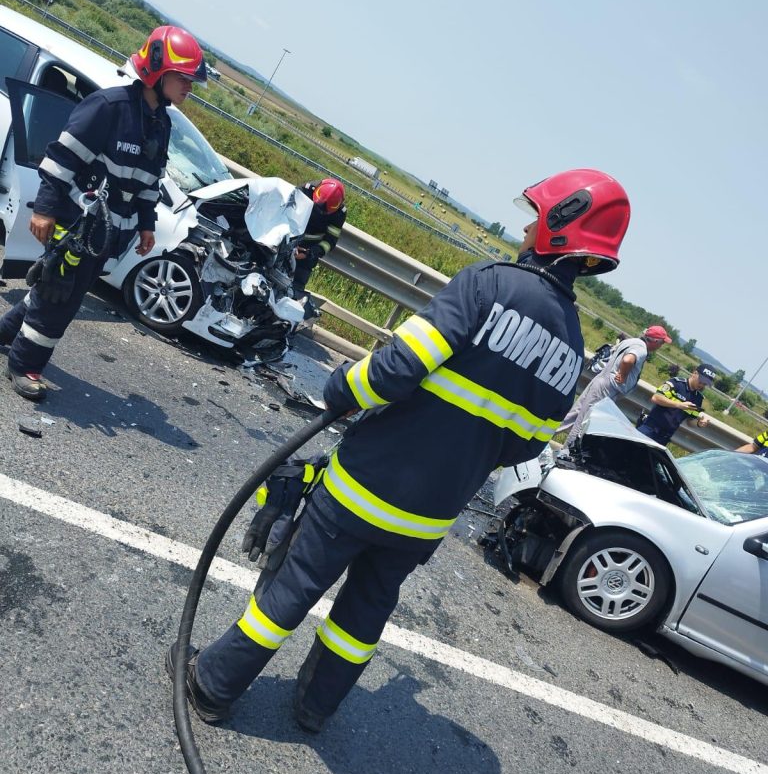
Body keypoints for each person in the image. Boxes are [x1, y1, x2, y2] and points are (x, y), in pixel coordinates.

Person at [167, 168, 631, 732]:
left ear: (559, 225)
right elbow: (525, 444)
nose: (529, 224)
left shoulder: (488, 284)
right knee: (364, 613)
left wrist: (338, 388)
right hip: (429, 517)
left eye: (538, 214)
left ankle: (212, 685)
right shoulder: (572, 344)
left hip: (367, 483)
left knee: (291, 589)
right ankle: (315, 708)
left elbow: (396, 369)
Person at [0, 26, 207, 400]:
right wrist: (44, 209)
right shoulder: (109, 107)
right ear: (157, 71)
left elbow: (149, 181)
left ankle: (6, 333)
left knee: (57, 289)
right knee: (59, 295)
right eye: (184, 78)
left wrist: (147, 225)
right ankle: (24, 364)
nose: (190, 88)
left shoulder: (161, 123)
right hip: (76, 224)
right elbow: (61, 160)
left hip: (108, 236)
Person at [559, 324, 672, 449]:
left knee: (574, 415)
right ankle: (565, 454)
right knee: (583, 423)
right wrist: (623, 375)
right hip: (607, 388)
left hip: (600, 381)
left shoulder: (632, 341)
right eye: (662, 343)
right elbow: (628, 360)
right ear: (655, 341)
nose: (661, 346)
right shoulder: (641, 349)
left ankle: (541, 438)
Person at [636, 363, 716, 445]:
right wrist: (679, 405)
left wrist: (699, 423)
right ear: (694, 373)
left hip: (664, 437)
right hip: (650, 428)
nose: (702, 385)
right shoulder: (676, 383)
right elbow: (656, 398)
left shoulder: (698, 399)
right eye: (701, 381)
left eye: (705, 384)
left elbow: (690, 421)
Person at [292, 178, 346, 299]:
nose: (320, 210)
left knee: (295, 291)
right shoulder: (305, 190)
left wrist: (311, 253)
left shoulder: (339, 213)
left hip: (307, 253)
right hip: (286, 241)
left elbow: (330, 241)